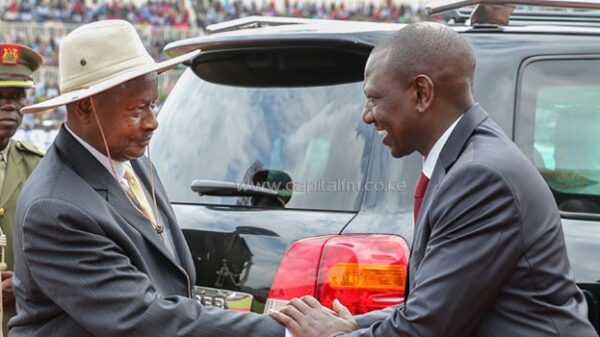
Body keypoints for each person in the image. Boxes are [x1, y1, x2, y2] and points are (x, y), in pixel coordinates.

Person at [270, 22, 598, 337]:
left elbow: (426, 328)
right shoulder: (464, 162)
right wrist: (352, 326)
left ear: (422, 93)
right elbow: (437, 305)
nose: (366, 115)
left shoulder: (481, 177)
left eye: (373, 98)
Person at [11, 20, 285, 337]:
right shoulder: (55, 208)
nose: (153, 122)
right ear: (86, 107)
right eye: (138, 108)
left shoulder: (130, 159)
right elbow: (142, 318)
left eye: (153, 104)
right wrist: (282, 331)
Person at [0, 43, 44, 336]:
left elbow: (57, 248)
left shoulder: (40, 167)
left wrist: (25, 283)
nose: (8, 106)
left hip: (20, 322)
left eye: (16, 97)